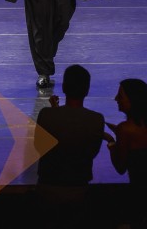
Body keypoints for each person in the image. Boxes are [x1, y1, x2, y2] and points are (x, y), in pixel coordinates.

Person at [34, 64, 105, 228]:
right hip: (78, 190)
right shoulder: (96, 119)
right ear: (87, 90)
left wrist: (55, 111)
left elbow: (39, 147)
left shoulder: (46, 115)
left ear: (64, 87)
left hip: (47, 189)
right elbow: (91, 152)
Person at [104, 78, 147, 223]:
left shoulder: (125, 129)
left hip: (140, 196)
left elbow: (120, 167)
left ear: (133, 99)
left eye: (120, 96)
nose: (116, 99)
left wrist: (111, 142)